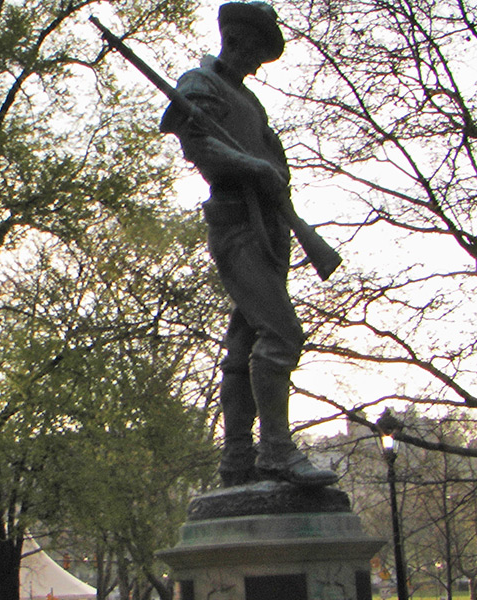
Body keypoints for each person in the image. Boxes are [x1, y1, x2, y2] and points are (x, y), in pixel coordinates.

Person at [160, 1, 337, 488]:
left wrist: (270, 176)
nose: (259, 63)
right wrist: (255, 169)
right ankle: (276, 451)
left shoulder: (248, 101)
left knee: (244, 343)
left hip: (268, 225)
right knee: (282, 335)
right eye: (257, 51)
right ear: (236, 40)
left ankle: (237, 458)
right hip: (237, 222)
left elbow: (258, 153)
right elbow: (201, 150)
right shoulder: (200, 85)